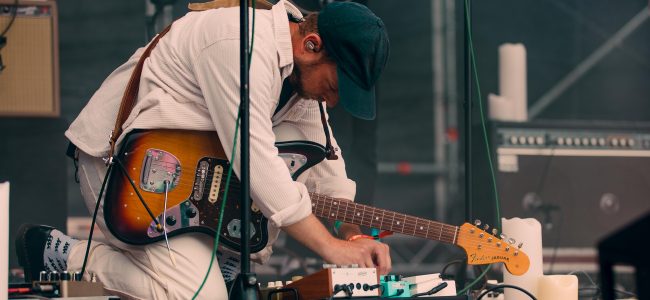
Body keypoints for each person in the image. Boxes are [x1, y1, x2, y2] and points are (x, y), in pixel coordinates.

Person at [16, 0, 390, 298]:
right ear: (312, 46)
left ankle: (222, 259)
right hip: (122, 167)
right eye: (336, 87)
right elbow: (256, 161)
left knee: (295, 154)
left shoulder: (299, 77)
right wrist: (330, 248)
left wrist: (352, 235)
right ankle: (68, 255)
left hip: (185, 181)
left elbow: (325, 165)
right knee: (199, 296)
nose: (335, 101)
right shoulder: (240, 43)